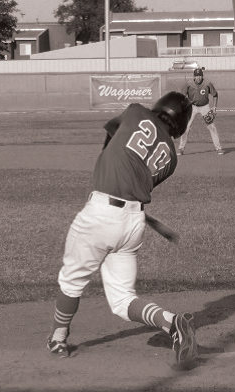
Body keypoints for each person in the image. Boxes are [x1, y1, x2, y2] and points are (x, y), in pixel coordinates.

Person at [46, 91, 199, 367]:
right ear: (181, 125)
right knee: (122, 300)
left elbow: (111, 138)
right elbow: (136, 182)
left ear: (159, 106)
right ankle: (172, 322)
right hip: (132, 224)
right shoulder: (172, 160)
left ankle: (58, 338)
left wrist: (105, 162)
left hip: (101, 214)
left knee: (71, 280)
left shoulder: (137, 111)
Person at [177, 67, 223, 156]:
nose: (198, 77)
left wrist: (214, 107)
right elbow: (182, 96)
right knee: (186, 128)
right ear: (194, 76)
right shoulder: (189, 84)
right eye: (196, 76)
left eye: (200, 76)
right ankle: (181, 148)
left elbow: (215, 94)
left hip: (205, 106)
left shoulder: (207, 84)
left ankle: (219, 148)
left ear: (202, 76)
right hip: (192, 107)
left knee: (212, 127)